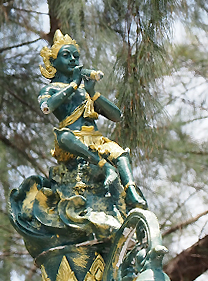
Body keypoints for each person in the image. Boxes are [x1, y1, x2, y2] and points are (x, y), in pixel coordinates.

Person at [38, 30, 147, 208]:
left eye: (76, 56)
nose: (73, 59)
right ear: (53, 62)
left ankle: (131, 191)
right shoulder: (51, 89)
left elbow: (117, 116)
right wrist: (73, 84)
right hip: (72, 141)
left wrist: (93, 93)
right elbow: (47, 107)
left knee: (119, 152)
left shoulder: (84, 93)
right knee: (63, 136)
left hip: (95, 139)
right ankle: (105, 166)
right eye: (66, 55)